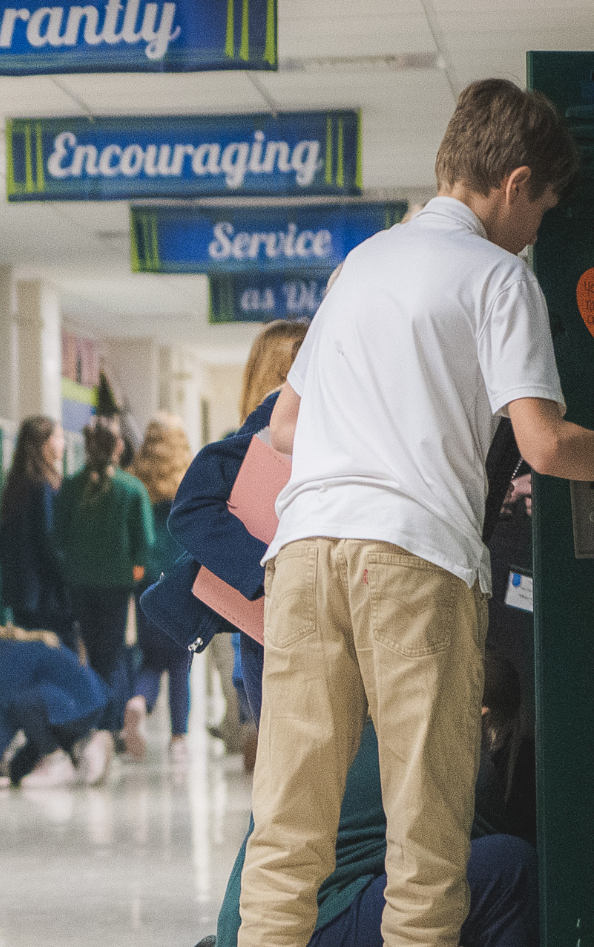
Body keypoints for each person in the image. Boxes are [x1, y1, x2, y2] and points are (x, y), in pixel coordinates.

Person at [244, 79, 594, 947]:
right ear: (515, 184)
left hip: (303, 553)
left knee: (288, 830)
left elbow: (285, 426)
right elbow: (545, 446)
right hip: (411, 561)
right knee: (427, 839)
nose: (538, 229)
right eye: (542, 209)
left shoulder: (361, 263)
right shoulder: (499, 277)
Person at [218, 656, 538, 947]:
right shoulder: (459, 759)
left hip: (247, 926)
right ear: (482, 712)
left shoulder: (356, 723)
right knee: (512, 865)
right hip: (309, 925)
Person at [204, 321, 307, 757]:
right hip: (296, 587)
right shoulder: (287, 430)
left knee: (278, 738)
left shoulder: (239, 437)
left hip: (259, 604)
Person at [52, 417, 152, 785]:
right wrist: (133, 575)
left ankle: (92, 723)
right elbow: (144, 543)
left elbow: (58, 537)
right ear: (119, 448)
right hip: (117, 585)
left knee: (90, 653)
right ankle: (108, 728)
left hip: (79, 582)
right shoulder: (130, 489)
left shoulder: (71, 488)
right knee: (113, 654)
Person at [0, 614, 106, 790]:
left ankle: (58, 762)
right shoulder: (8, 652)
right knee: (18, 769)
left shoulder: (6, 656)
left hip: (77, 708)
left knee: (22, 702)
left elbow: (9, 712)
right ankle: (83, 750)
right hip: (80, 707)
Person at [122, 413, 194, 763]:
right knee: (181, 660)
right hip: (182, 578)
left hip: (145, 578)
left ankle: (138, 701)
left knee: (151, 658)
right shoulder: (190, 478)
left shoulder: (135, 479)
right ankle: (178, 739)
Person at [0, 416, 69, 638]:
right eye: (59, 436)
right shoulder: (42, 486)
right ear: (44, 444)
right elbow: (49, 539)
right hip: (45, 595)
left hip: (23, 592)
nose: (63, 442)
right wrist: (69, 576)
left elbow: (1, 543)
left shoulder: (18, 482)